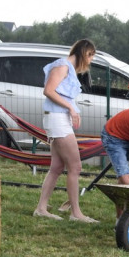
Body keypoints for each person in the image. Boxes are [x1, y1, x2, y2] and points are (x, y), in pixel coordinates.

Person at [33, 39, 98, 222]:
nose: (91, 60)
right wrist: (70, 108)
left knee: (56, 167)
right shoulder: (62, 66)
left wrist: (71, 110)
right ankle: (76, 213)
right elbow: (49, 91)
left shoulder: (68, 68)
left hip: (59, 119)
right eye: (91, 55)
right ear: (84, 53)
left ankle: (41, 208)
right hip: (57, 119)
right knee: (75, 166)